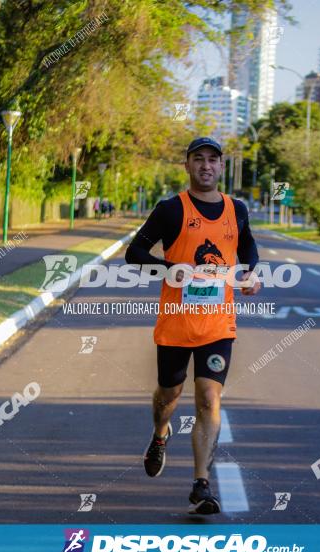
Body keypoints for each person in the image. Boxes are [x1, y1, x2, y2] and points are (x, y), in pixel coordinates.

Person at [125, 136, 261, 515]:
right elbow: (134, 253)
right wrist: (172, 269)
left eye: (212, 160)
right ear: (187, 166)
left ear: (221, 167)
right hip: (176, 325)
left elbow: (248, 245)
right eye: (197, 159)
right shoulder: (170, 209)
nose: (205, 165)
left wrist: (249, 272)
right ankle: (159, 434)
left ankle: (201, 484)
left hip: (218, 326)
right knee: (168, 397)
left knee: (208, 398)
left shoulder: (237, 209)